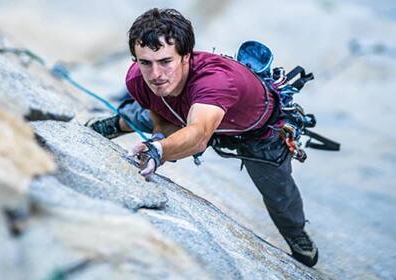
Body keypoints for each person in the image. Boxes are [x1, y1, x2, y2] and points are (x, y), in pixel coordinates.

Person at [87, 8, 318, 267]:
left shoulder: (216, 82)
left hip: (256, 134)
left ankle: (296, 234)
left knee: (279, 193)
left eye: (165, 61)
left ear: (186, 57)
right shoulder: (138, 79)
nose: (155, 74)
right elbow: (161, 114)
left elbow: (198, 135)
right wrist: (160, 138)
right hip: (190, 111)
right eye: (145, 63)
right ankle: (118, 122)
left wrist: (159, 150)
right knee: (145, 110)